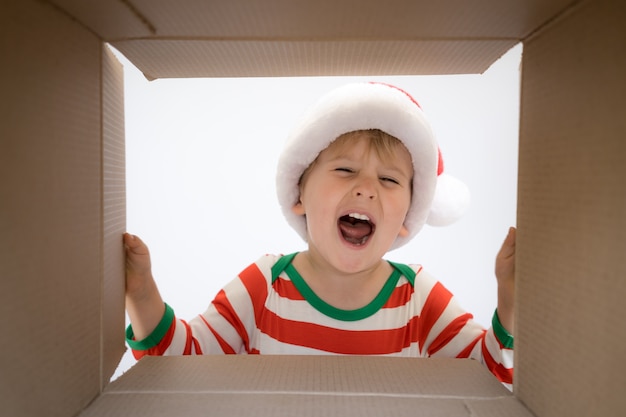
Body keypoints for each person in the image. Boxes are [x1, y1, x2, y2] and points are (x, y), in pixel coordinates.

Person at [124, 82, 516, 387]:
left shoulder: (419, 298)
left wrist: (511, 302)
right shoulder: (266, 285)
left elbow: (488, 378)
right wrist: (140, 292)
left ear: (406, 218)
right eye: (345, 170)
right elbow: (179, 364)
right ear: (299, 195)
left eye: (389, 179)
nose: (366, 188)